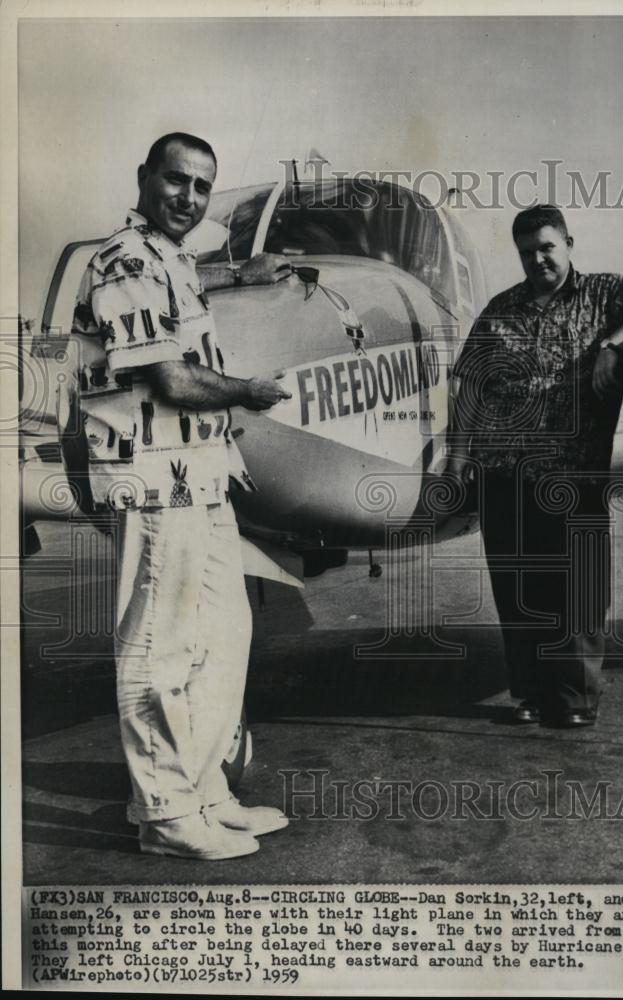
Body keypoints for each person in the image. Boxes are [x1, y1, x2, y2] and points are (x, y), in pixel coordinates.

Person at [70, 132, 294, 858]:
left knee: (224, 636)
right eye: (176, 180)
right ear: (144, 177)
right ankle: (165, 813)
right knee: (159, 647)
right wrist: (249, 395)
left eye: (202, 187)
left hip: (199, 476)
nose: (188, 198)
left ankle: (206, 792)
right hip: (152, 478)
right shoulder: (126, 259)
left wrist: (224, 451)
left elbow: (187, 370)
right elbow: (171, 380)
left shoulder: (174, 262)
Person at [448, 205, 623, 728]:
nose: (537, 259)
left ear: (568, 243)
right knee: (520, 589)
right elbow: (471, 387)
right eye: (527, 251)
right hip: (504, 472)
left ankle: (575, 700)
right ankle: (528, 694)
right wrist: (456, 458)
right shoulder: (500, 310)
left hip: (574, 475)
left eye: (546, 247)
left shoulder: (603, 295)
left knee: (578, 590)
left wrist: (613, 344)